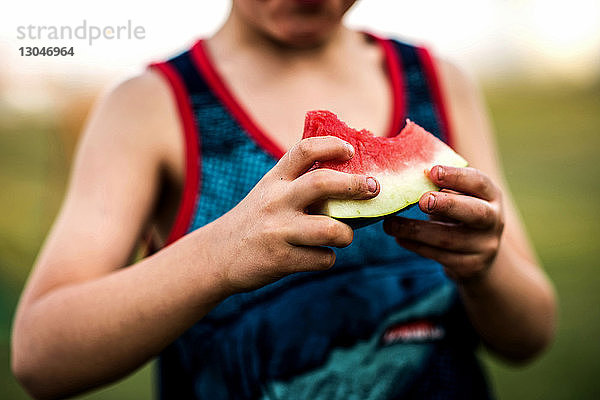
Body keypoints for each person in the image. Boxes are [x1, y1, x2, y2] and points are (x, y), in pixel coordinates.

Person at [11, 1, 556, 399]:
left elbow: (529, 338)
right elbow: (40, 358)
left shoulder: (440, 83)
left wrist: (486, 268)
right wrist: (222, 253)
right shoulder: (150, 108)